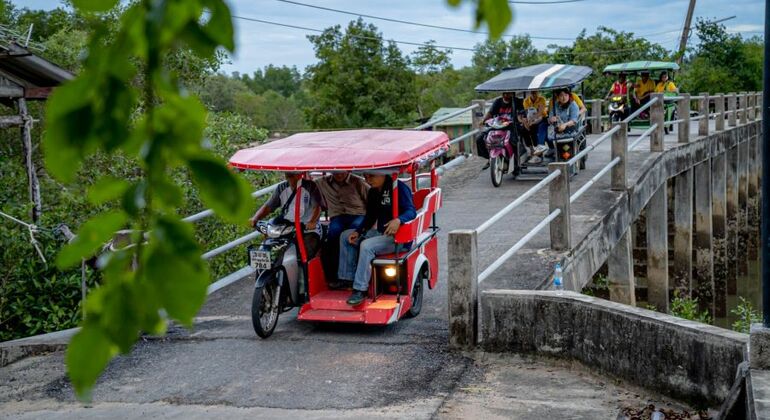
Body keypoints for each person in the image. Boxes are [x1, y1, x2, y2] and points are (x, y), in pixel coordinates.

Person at [338, 172, 416, 306]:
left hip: (398, 238)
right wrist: (359, 231)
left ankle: (360, 289)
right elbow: (370, 217)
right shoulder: (373, 192)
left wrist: (398, 220)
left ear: (384, 174)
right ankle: (348, 279)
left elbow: (411, 211)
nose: (368, 180)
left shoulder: (399, 188)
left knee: (367, 246)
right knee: (346, 236)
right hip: (381, 232)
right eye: (365, 176)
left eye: (371, 176)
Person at [315, 171, 369, 286]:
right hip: (338, 215)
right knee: (333, 232)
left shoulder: (358, 182)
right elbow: (308, 186)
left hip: (358, 214)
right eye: (336, 172)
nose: (339, 175)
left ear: (348, 171)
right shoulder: (322, 182)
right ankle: (334, 274)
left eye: (342, 172)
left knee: (353, 231)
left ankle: (353, 272)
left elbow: (371, 198)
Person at [250, 172, 322, 258]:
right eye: (287, 173)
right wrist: (255, 218)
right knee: (270, 244)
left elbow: (317, 208)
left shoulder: (310, 186)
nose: (289, 175)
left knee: (306, 251)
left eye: (292, 173)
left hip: (306, 227)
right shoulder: (281, 187)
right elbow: (268, 206)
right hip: (286, 226)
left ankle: (303, 269)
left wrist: (312, 222)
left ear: (299, 174)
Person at [476, 91, 515, 169]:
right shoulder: (498, 101)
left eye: (508, 94)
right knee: (479, 139)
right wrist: (483, 120)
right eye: (504, 94)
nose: (506, 96)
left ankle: (515, 164)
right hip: (497, 125)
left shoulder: (516, 101)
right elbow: (490, 113)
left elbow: (521, 113)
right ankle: (490, 158)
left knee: (513, 141)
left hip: (511, 126)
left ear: (512, 94)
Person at [518, 90, 548, 163]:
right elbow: (527, 112)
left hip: (542, 118)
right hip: (530, 118)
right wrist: (527, 122)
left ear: (538, 92)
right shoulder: (526, 101)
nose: (534, 94)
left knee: (534, 130)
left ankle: (538, 152)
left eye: (535, 92)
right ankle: (531, 149)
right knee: (524, 130)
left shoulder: (542, 99)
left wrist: (532, 122)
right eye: (532, 92)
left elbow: (540, 113)